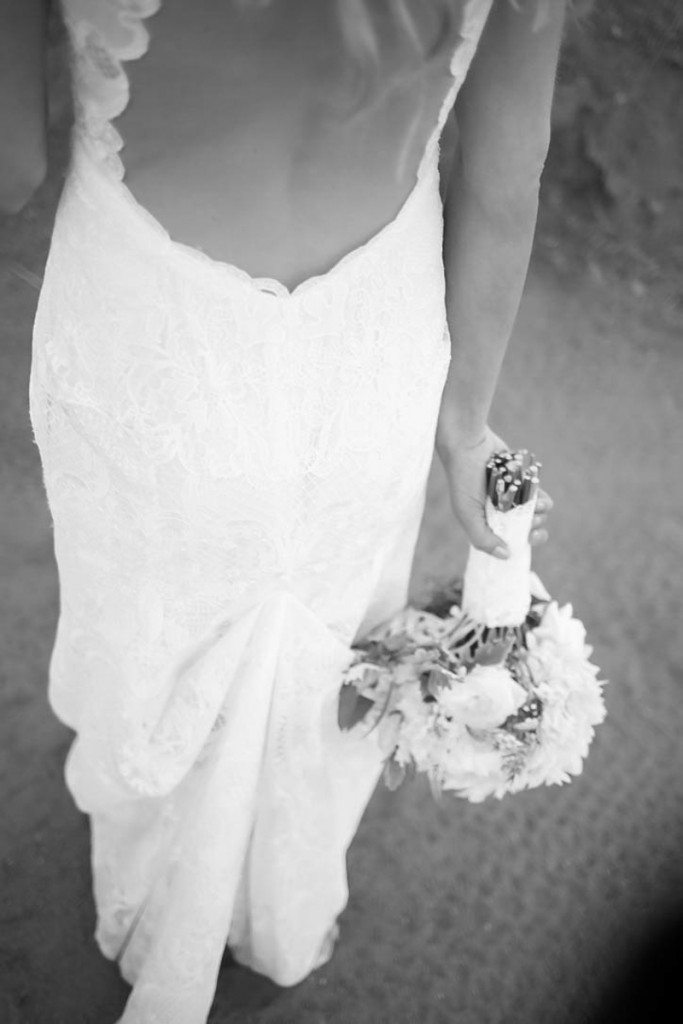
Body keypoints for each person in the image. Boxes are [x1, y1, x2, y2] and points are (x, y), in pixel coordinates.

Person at [2, 0, 562, 1020]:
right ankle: (274, 908)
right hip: (370, 353)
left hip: (151, 347)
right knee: (325, 643)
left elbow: (10, 165)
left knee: (155, 640)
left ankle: (157, 890)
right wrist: (463, 421)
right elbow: (501, 186)